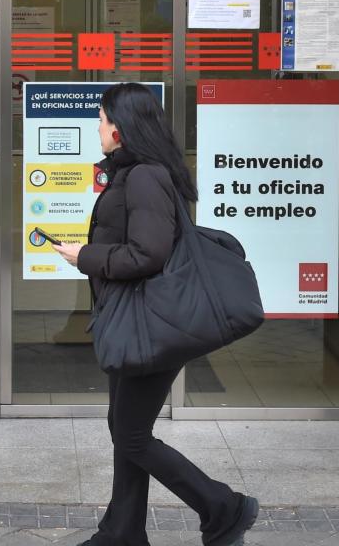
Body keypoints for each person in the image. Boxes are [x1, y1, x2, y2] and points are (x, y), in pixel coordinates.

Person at [51, 82, 259, 546]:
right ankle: (123, 533)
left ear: (120, 128)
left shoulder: (145, 176)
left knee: (130, 435)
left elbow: (148, 254)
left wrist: (85, 256)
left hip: (152, 322)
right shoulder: (134, 172)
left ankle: (223, 507)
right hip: (132, 319)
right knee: (124, 427)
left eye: (101, 120)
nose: (97, 128)